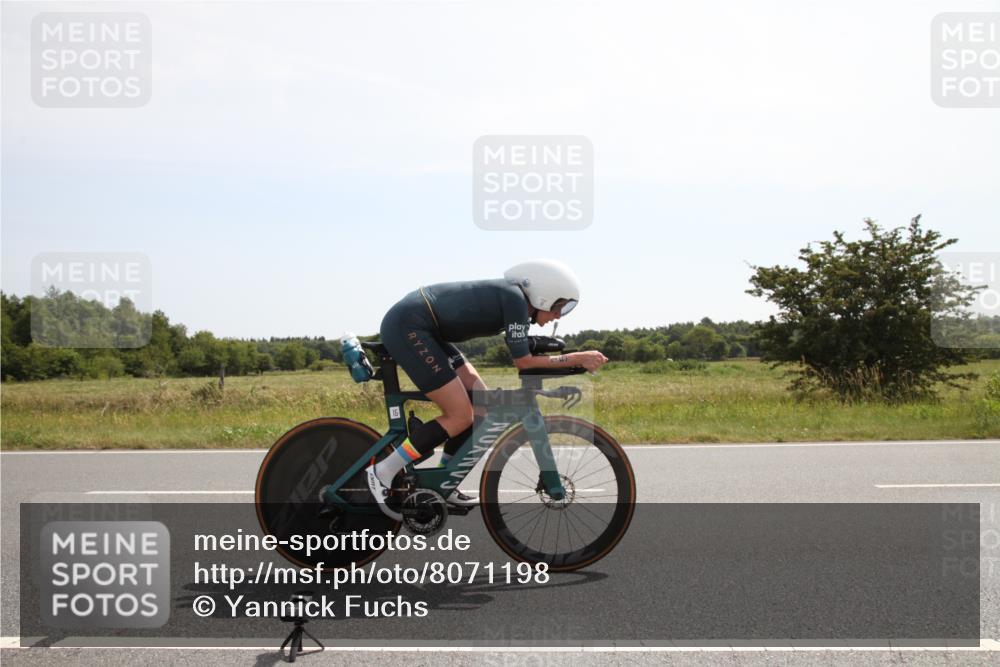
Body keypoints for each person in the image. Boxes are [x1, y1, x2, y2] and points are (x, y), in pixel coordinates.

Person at [365, 259, 609, 520]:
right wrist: (576, 357)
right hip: (410, 326)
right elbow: (524, 363)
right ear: (544, 295)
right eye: (559, 306)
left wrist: (570, 360)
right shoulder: (516, 300)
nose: (559, 315)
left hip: (426, 328)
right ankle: (383, 471)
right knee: (459, 415)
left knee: (480, 408)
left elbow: (524, 353)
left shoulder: (517, 304)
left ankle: (443, 484)